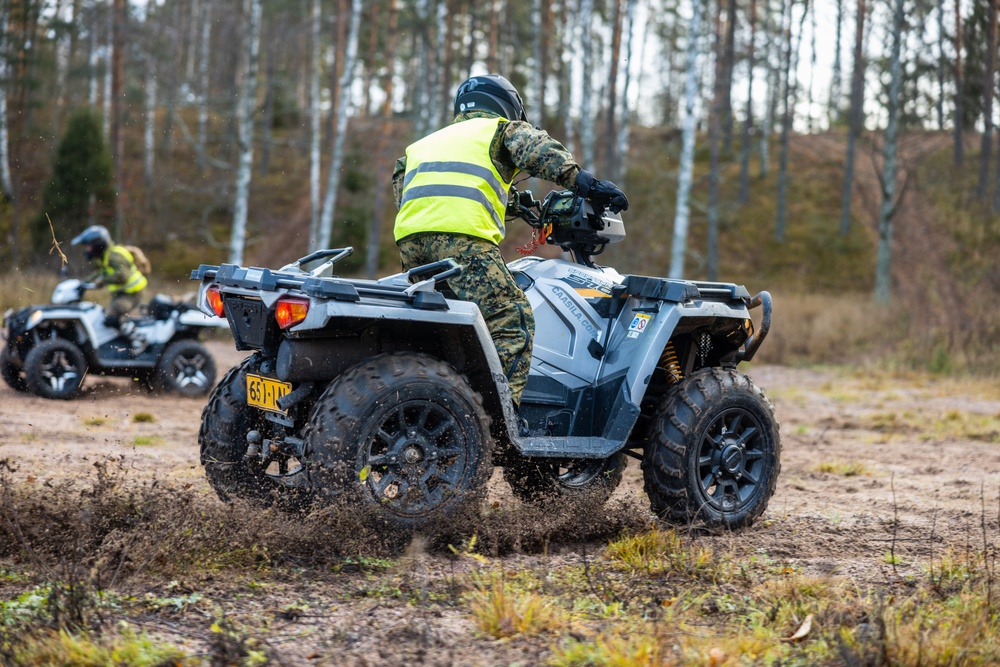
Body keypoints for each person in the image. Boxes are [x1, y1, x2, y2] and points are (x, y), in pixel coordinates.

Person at [392, 73, 628, 408]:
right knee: (512, 319)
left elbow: (424, 191)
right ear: (506, 106)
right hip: (463, 242)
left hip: (412, 246)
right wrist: (585, 183)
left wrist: (520, 205)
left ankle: (442, 402)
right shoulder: (501, 129)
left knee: (445, 327)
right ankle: (496, 422)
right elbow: (537, 150)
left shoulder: (421, 147)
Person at [71, 224, 148, 331]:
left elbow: (123, 276)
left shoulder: (114, 256)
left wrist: (101, 281)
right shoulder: (106, 257)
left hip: (131, 293)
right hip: (122, 293)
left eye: (88, 246)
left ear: (98, 243)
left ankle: (138, 339)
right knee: (104, 318)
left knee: (111, 317)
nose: (87, 250)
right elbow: (100, 273)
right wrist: (84, 283)